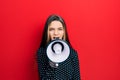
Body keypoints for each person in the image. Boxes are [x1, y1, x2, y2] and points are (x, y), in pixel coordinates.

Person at [37, 14, 81, 80]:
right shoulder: (42, 53)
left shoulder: (72, 53)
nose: (56, 33)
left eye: (60, 29)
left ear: (64, 32)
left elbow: (76, 78)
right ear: (47, 32)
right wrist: (52, 64)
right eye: (51, 29)